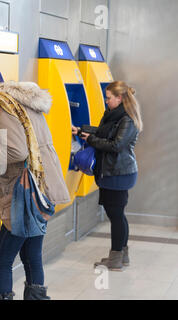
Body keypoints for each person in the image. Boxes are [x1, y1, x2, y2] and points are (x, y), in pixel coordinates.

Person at [0, 63, 70, 300]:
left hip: (25, 194)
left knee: (0, 260)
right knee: (31, 255)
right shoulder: (18, 102)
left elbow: (17, 151)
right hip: (41, 187)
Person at [72, 81, 142, 271]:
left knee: (116, 215)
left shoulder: (127, 119)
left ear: (119, 99)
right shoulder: (114, 115)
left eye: (109, 97)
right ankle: (121, 255)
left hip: (119, 173)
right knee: (117, 214)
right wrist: (81, 130)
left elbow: (115, 145)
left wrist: (92, 140)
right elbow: (105, 132)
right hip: (113, 171)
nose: (106, 100)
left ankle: (116, 258)